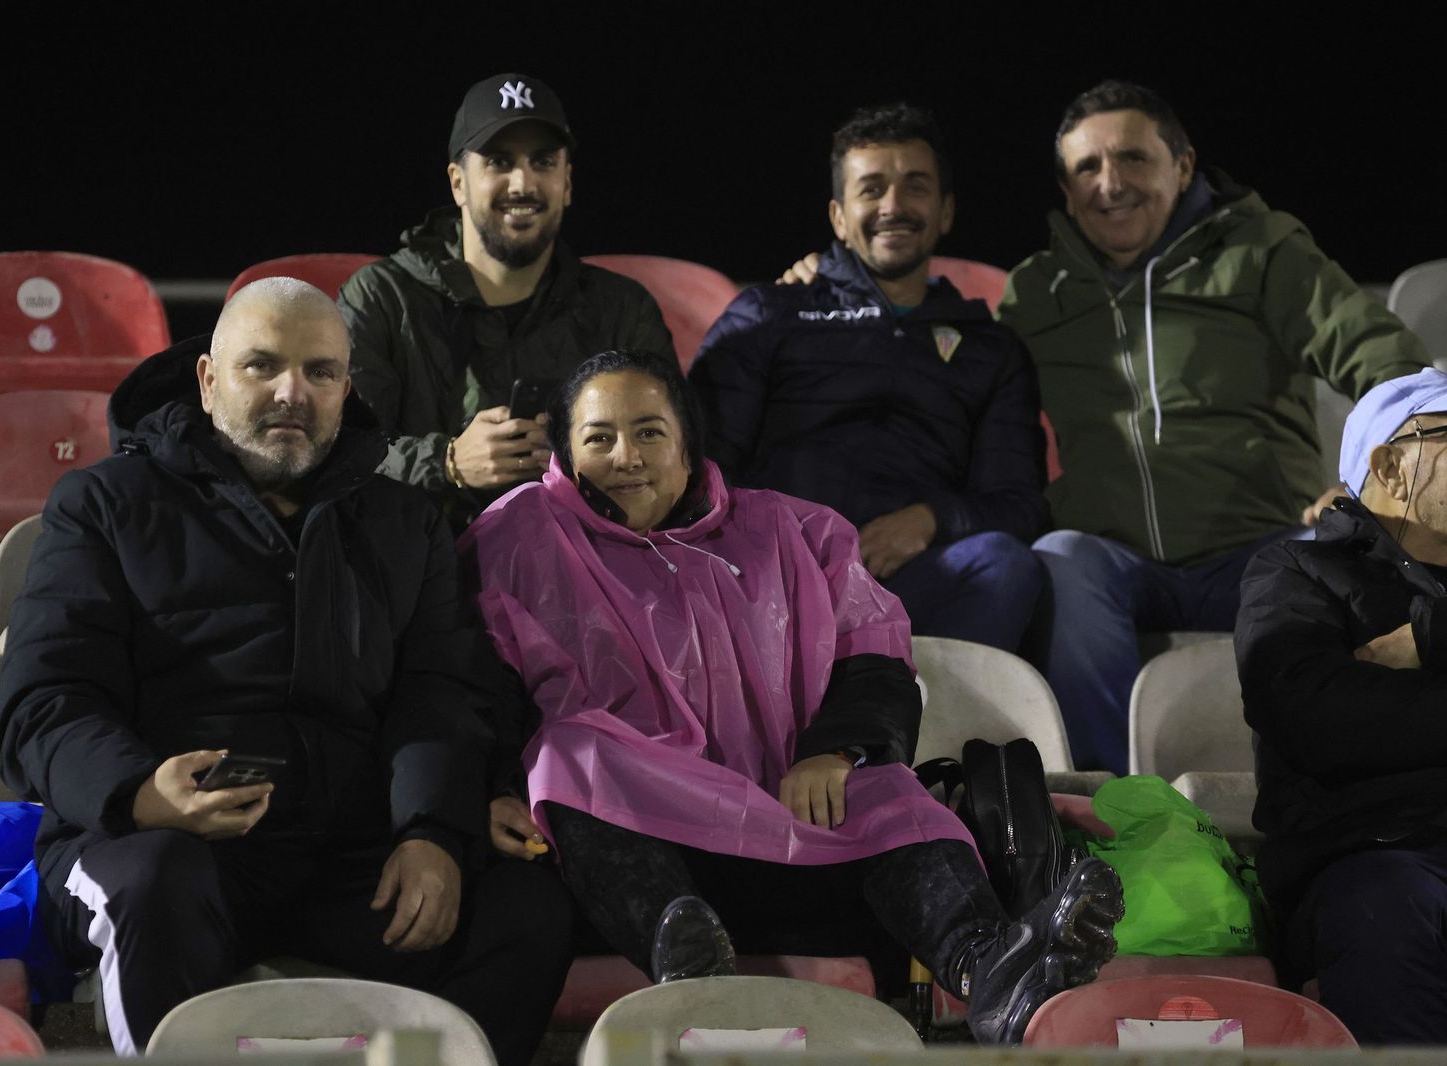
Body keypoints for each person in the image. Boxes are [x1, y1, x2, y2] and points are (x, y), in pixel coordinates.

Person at [460, 349, 1123, 1046]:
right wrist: (497, 788)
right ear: (566, 453)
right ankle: (684, 960)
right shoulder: (521, 532)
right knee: (573, 753)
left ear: (688, 446)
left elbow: (875, 654)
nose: (626, 456)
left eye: (649, 432)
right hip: (632, 859)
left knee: (891, 792)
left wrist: (835, 751)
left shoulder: (793, 530)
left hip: (792, 830)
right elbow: (472, 683)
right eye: (599, 438)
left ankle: (995, 972)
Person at [0, 279, 572, 1063]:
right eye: (260, 367)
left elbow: (441, 692)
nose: (291, 393)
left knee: (523, 904)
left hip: (343, 854)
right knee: (155, 883)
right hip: (158, 842)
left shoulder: (403, 520)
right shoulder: (101, 503)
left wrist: (432, 828)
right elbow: (44, 700)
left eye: (319, 372)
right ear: (207, 380)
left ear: (346, 387)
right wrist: (140, 792)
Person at [998, 79, 1432, 771]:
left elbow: (1381, 358)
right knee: (1060, 560)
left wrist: (1372, 478)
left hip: (1261, 543)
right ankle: (1117, 808)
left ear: (1184, 165)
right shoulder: (1036, 291)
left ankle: (1317, 796)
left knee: (1341, 568)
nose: (1110, 183)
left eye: (1133, 158)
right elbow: (977, 400)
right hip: (1118, 560)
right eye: (1087, 167)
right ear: (1065, 186)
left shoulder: (1260, 251)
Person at [689, 104, 1046, 651]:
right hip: (777, 583)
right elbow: (702, 469)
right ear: (838, 215)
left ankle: (920, 728)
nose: (893, 206)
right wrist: (779, 555)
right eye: (872, 188)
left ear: (946, 211)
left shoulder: (990, 347)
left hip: (917, 583)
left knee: (1006, 566)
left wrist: (931, 519)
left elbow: (1020, 503)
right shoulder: (768, 314)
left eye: (916, 187)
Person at [337, 71, 674, 525]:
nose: (522, 183)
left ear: (567, 182)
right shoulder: (380, 297)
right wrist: (450, 462)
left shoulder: (622, 308)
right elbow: (337, 452)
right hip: (419, 570)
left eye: (543, 162)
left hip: (586, 570)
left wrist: (582, 463)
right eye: (498, 161)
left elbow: (675, 454)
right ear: (458, 182)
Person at [1237, 367, 1447, 1045]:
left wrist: (1431, 640)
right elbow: (1321, 719)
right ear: (1390, 465)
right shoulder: (1298, 574)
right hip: (1378, 857)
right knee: (1387, 905)